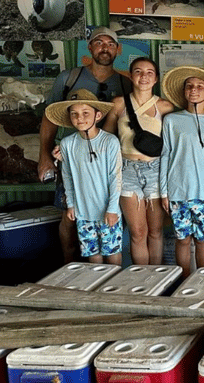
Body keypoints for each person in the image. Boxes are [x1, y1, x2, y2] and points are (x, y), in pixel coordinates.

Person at [38, 26, 131, 262]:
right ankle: (70, 267)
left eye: (110, 44)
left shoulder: (125, 83)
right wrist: (45, 157)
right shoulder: (69, 78)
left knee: (110, 216)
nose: (105, 48)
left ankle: (108, 273)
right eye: (99, 43)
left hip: (110, 162)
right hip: (72, 157)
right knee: (69, 218)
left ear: (117, 50)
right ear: (89, 47)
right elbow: (49, 119)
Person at [102, 57, 173, 265]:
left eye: (150, 72)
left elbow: (173, 144)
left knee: (156, 232)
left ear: (156, 78)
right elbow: (105, 137)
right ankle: (142, 279)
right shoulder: (118, 104)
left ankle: (157, 280)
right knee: (138, 232)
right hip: (126, 170)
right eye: (139, 72)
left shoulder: (165, 106)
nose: (144, 76)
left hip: (156, 170)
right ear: (131, 76)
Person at [160, 67, 204, 277]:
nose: (194, 90)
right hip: (178, 190)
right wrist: (164, 192)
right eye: (189, 86)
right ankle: (183, 279)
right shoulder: (172, 121)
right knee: (182, 239)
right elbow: (165, 155)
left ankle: (202, 279)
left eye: (200, 86)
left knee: (202, 238)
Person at [46, 89, 122, 265]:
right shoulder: (68, 144)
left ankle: (113, 290)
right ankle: (96, 291)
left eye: (85, 113)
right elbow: (68, 177)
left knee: (112, 252)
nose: (80, 118)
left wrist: (112, 208)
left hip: (107, 211)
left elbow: (115, 177)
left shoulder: (109, 141)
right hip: (83, 212)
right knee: (92, 254)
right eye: (74, 114)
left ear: (98, 115)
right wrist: (71, 205)